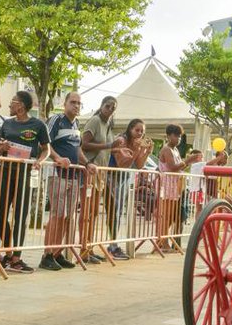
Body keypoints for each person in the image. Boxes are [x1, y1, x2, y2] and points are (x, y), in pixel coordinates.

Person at [0, 90, 50, 273]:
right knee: (0, 213)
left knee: (20, 215)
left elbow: (45, 149)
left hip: (25, 174)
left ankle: (17, 257)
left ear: (21, 105)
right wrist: (1, 147)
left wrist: (38, 162)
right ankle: (9, 252)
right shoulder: (6, 124)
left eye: (12, 101)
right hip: (4, 173)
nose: (10, 105)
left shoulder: (38, 125)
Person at [41, 92, 94, 271]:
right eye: (73, 102)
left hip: (74, 176)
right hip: (58, 174)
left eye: (79, 103)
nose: (76, 106)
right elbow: (45, 143)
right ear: (64, 104)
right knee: (57, 215)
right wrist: (58, 158)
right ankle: (47, 254)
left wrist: (87, 163)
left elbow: (78, 149)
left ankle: (57, 252)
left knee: (66, 216)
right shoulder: (56, 120)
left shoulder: (76, 124)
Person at [81, 97, 122, 262]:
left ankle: (89, 248)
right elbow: (84, 144)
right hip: (90, 170)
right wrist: (108, 146)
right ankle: (84, 248)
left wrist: (118, 150)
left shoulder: (107, 125)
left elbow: (107, 148)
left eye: (113, 107)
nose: (110, 109)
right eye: (107, 106)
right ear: (101, 106)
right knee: (88, 212)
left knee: (94, 213)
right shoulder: (95, 121)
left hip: (101, 173)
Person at [107, 118, 153, 259]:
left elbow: (138, 165)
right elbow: (122, 164)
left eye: (142, 132)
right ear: (130, 129)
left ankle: (113, 244)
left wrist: (146, 151)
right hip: (112, 176)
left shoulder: (136, 144)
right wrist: (135, 149)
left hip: (124, 178)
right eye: (137, 130)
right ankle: (112, 246)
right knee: (113, 211)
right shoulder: (121, 140)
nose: (139, 134)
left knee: (119, 212)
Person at [157, 125, 202, 251]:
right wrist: (188, 160)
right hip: (167, 186)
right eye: (176, 135)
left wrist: (187, 163)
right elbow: (172, 167)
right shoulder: (166, 149)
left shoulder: (175, 150)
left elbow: (179, 167)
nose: (179, 139)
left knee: (171, 216)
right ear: (169, 135)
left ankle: (162, 241)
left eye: (180, 136)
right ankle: (163, 243)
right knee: (166, 216)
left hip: (175, 186)